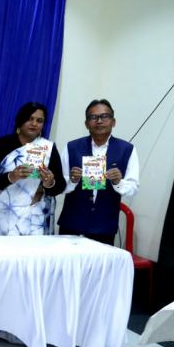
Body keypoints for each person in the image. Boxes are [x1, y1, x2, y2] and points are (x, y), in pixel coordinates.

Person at [58, 99, 139, 244]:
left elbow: (132, 189)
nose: (99, 121)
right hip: (71, 224)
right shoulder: (72, 147)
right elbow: (60, 185)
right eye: (93, 117)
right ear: (86, 123)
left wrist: (117, 182)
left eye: (104, 116)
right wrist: (72, 180)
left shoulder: (127, 149)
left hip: (104, 227)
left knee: (100, 267)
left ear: (113, 122)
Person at [0, 102, 65, 235]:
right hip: (2, 218)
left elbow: (60, 186)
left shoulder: (48, 148)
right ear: (20, 121)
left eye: (39, 120)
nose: (34, 123)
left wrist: (49, 183)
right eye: (29, 118)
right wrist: (11, 177)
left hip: (35, 219)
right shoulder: (1, 145)